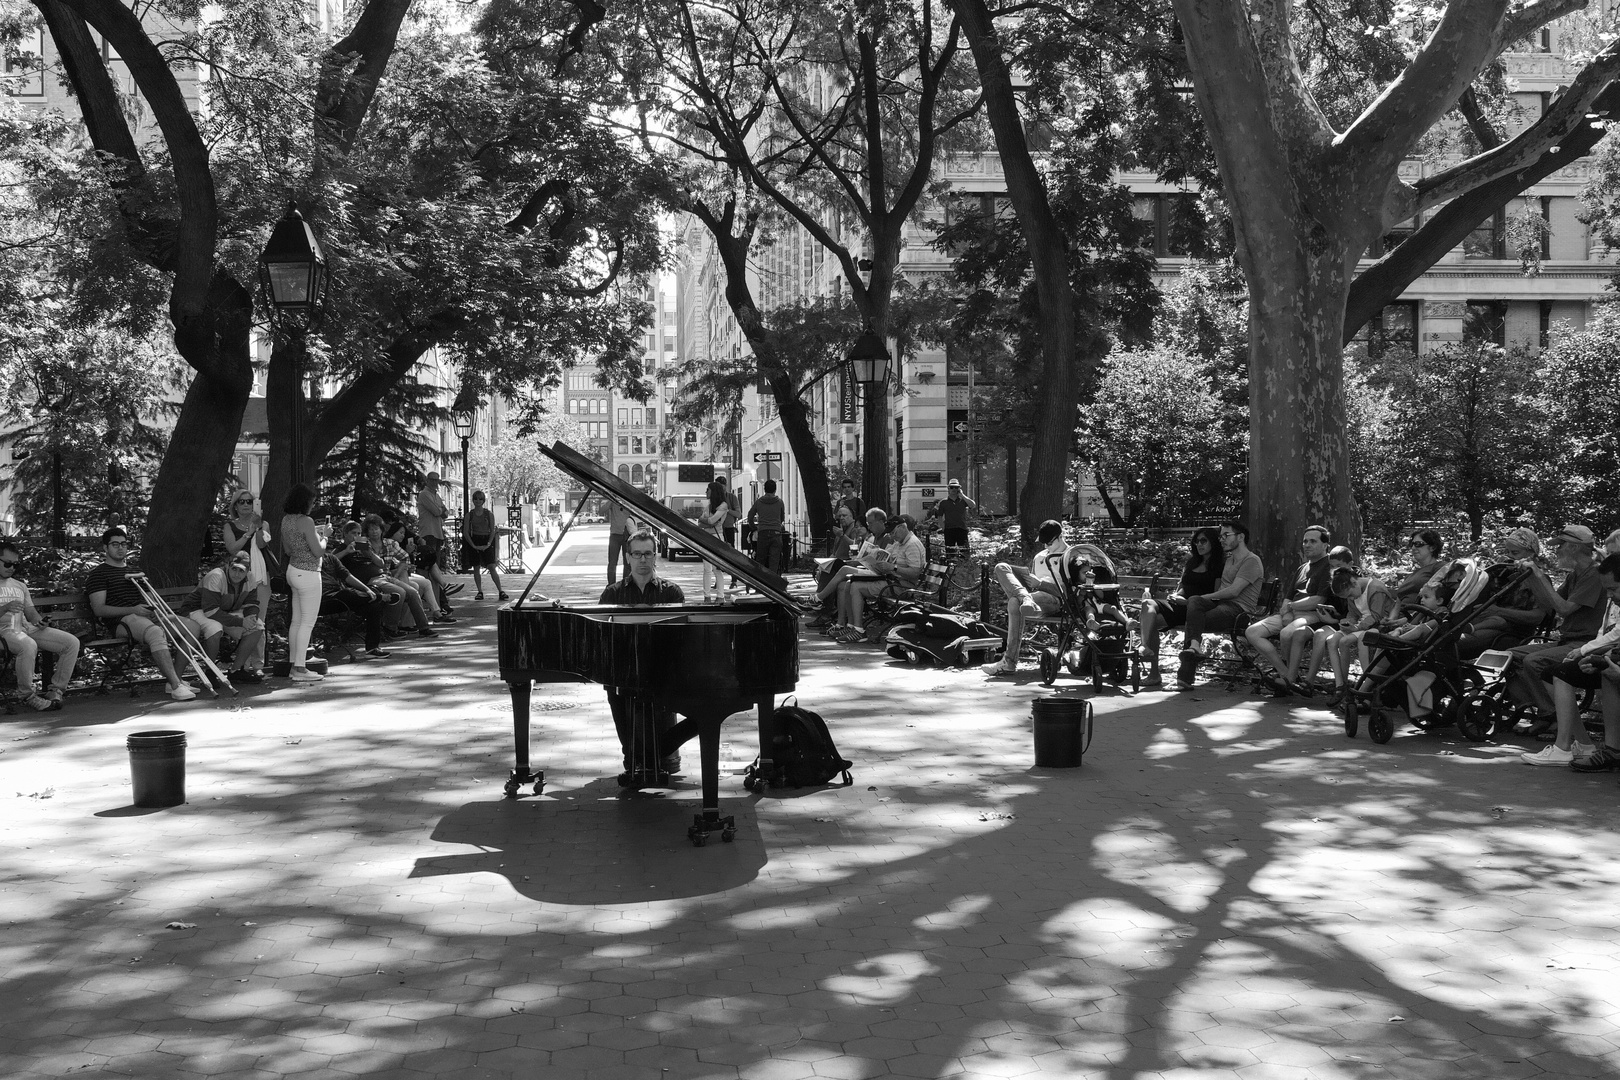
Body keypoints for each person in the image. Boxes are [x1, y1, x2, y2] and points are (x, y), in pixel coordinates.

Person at [1505, 525, 1608, 736]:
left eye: (1560, 545)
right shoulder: (1575, 575)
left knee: (1533, 661)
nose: (1556, 550)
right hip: (1568, 640)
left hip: (1585, 643)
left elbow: (1564, 609)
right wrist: (1532, 577)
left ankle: (1553, 717)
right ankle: (1540, 711)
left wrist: (1540, 576)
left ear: (1574, 547)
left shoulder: (1594, 575)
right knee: (1509, 656)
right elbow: (1551, 606)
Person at [599, 530, 685, 774]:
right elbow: (603, 637)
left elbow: (678, 639)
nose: (643, 560)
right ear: (627, 557)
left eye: (648, 554)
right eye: (637, 554)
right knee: (616, 690)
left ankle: (659, 755)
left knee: (667, 760)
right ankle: (633, 755)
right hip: (623, 669)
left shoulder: (672, 593)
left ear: (655, 556)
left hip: (662, 669)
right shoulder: (612, 594)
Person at [1523, 553, 1620, 767]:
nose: (1610, 595)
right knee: (1554, 672)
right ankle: (1583, 744)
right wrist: (1593, 654)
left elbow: (1615, 634)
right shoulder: (1607, 596)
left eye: (1613, 589)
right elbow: (1606, 632)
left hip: (1591, 646)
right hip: (1600, 649)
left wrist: (1588, 651)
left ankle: (1608, 750)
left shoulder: (1591, 578)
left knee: (1607, 670)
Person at [85, 527, 196, 700]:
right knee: (155, 632)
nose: (120, 548)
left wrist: (154, 611)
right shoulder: (98, 574)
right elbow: (99, 609)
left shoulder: (135, 571)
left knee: (191, 627)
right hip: (122, 622)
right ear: (105, 548)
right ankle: (176, 686)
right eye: (115, 544)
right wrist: (134, 610)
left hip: (144, 618)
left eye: (123, 544)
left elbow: (151, 599)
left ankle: (177, 678)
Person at [1244, 525, 1335, 695]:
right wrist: (1286, 613)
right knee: (1252, 632)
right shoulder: (1302, 567)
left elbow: (1319, 600)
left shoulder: (1328, 566)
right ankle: (1285, 673)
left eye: (1313, 541)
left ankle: (1288, 680)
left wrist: (1291, 608)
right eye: (1305, 541)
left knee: (1286, 633)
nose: (1307, 545)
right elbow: (1288, 595)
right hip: (1290, 613)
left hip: (1312, 615)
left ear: (1325, 545)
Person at [1176, 521, 1265, 690]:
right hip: (1220, 606)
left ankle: (1184, 678)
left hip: (1238, 611)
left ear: (1240, 537)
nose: (1222, 539)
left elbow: (1233, 591)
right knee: (1194, 603)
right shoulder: (1230, 559)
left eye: (1226, 535)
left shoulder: (1251, 561)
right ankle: (1195, 647)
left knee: (1194, 618)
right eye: (1221, 536)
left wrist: (1204, 596)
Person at [1138, 527, 1224, 688]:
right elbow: (1183, 586)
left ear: (1213, 542)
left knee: (1153, 622)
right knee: (1147, 604)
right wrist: (1176, 596)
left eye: (1203, 541)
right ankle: (1146, 650)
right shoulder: (1192, 562)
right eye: (1196, 541)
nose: (1199, 544)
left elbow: (1217, 593)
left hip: (1197, 609)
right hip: (1179, 605)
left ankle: (1154, 671)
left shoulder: (1219, 565)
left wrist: (1189, 601)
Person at [981, 520, 1070, 676]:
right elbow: (1033, 584)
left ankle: (1009, 662)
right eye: (1043, 543)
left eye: (1048, 543)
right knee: (1001, 567)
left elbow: (1069, 592)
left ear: (1060, 537)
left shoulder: (1070, 556)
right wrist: (1028, 583)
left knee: (1015, 602)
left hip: (1055, 601)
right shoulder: (1039, 557)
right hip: (1033, 599)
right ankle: (1025, 598)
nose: (1045, 547)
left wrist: (1041, 584)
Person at [0, 541, 80, 710]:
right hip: (3, 632)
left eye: (16, 564)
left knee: (71, 642)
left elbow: (31, 614)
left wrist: (41, 621)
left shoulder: (20, 586)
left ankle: (56, 691)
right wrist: (5, 608)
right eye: (7, 563)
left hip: (24, 628)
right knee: (27, 644)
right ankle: (27, 696)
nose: (12, 568)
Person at [1454, 527, 1549, 660]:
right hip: (1485, 623)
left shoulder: (1539, 580)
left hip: (1512, 632)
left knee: (1453, 645)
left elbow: (1536, 617)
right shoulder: (1500, 573)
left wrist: (1498, 611)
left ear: (1531, 553)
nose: (1509, 556)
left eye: (1515, 553)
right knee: (1441, 638)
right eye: (1507, 552)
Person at [832, 514, 926, 644]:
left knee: (855, 587)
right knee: (849, 583)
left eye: (893, 532)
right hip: (891, 581)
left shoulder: (912, 544)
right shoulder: (899, 542)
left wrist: (893, 568)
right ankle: (851, 627)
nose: (892, 536)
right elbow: (889, 558)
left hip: (901, 587)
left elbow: (915, 573)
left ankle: (859, 631)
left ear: (902, 527)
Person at [1313, 565, 1397, 707]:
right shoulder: (1352, 591)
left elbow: (1377, 616)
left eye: (1350, 595)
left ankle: (1366, 685)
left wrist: (1356, 627)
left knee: (1345, 641)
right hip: (1360, 626)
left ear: (1354, 582)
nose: (1351, 598)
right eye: (1348, 598)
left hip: (1378, 626)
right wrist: (1346, 622)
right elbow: (1352, 614)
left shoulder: (1375, 589)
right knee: (1333, 640)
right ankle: (1341, 685)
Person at [177, 550, 266, 682]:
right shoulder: (216, 576)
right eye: (234, 569)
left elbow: (252, 603)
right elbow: (211, 611)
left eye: (241, 571)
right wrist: (241, 622)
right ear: (228, 566)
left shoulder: (251, 579)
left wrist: (251, 617)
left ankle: (236, 671)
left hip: (223, 610)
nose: (237, 574)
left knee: (257, 626)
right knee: (215, 628)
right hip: (197, 610)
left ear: (247, 571)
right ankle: (210, 671)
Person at [338, 519, 436, 638]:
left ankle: (424, 628)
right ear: (345, 534)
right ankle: (390, 628)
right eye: (354, 533)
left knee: (413, 592)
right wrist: (346, 551)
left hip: (383, 576)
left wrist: (369, 552)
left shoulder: (363, 546)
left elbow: (381, 564)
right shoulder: (341, 548)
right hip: (369, 581)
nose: (357, 536)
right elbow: (329, 560)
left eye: (359, 533)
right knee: (400, 592)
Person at [280, 483, 327, 683]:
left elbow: (289, 550)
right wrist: (325, 537)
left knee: (297, 622)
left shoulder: (286, 520)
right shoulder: (306, 521)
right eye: (312, 501)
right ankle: (300, 668)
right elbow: (318, 551)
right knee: (307, 622)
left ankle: (295, 665)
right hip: (308, 573)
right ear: (305, 502)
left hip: (293, 570)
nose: (313, 504)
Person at [319, 542, 393, 660]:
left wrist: (367, 590)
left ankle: (372, 648)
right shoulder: (308, 561)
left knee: (374, 606)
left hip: (340, 598)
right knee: (347, 593)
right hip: (322, 599)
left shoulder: (331, 559)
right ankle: (380, 596)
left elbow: (347, 576)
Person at [374, 518, 454, 624]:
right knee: (418, 585)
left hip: (397, 574)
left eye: (404, 533)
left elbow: (404, 559)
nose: (403, 535)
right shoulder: (390, 543)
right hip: (389, 576)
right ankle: (412, 621)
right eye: (400, 533)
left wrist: (407, 558)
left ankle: (435, 612)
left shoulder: (394, 544)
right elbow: (397, 562)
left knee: (425, 581)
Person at [817, 508, 889, 606]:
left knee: (839, 569)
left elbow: (884, 562)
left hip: (875, 574)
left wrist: (857, 560)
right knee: (835, 575)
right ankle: (838, 618)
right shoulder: (874, 537)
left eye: (870, 523)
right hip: (868, 569)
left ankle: (819, 599)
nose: (869, 526)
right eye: (867, 524)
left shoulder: (883, 538)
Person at [221, 489, 272, 623]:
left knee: (259, 618)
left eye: (249, 502)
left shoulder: (264, 524)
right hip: (237, 576)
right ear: (235, 506)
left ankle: (258, 643)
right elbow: (232, 549)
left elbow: (262, 545)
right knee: (239, 617)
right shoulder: (229, 526)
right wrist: (248, 534)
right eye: (241, 501)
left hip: (260, 577)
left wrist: (258, 526)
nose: (245, 505)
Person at [415, 472, 454, 608]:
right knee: (431, 568)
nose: (434, 482)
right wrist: (440, 509)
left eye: (436, 480)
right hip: (428, 533)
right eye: (432, 480)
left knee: (434, 568)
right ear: (427, 480)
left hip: (437, 533)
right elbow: (438, 512)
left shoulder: (436, 495)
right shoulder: (424, 494)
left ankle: (440, 599)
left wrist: (441, 510)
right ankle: (439, 600)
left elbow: (446, 513)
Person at [461, 491, 509, 601]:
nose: (478, 501)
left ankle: (500, 590)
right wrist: (473, 545)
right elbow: (466, 532)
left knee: (492, 566)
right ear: (473, 500)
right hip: (475, 540)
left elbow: (492, 530)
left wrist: (488, 544)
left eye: (480, 499)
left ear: (483, 501)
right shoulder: (469, 515)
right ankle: (479, 591)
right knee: (476, 567)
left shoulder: (488, 514)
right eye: (476, 499)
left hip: (486, 540)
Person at [1391, 529, 1446, 602]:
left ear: (1433, 547)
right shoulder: (1412, 575)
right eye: (1412, 544)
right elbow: (1398, 602)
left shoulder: (1440, 567)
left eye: (1418, 544)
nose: (1413, 548)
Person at [748, 479, 787, 573]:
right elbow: (782, 518)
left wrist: (754, 527)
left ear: (764, 489)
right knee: (774, 561)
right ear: (775, 490)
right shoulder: (780, 502)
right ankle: (772, 581)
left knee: (761, 559)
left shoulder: (759, 502)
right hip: (776, 533)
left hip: (763, 532)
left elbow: (750, 516)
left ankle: (760, 581)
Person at [927, 479, 977, 552]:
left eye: (956, 487)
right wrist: (943, 528)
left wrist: (962, 495)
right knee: (950, 553)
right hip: (949, 530)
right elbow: (940, 516)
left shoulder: (963, 501)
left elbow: (973, 505)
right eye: (951, 487)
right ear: (948, 489)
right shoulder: (943, 502)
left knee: (965, 552)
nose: (954, 489)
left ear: (959, 489)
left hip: (962, 529)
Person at [698, 489, 729, 600]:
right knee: (707, 568)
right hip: (706, 537)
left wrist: (705, 520)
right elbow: (701, 523)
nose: (706, 492)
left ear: (714, 492)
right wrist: (708, 522)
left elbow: (711, 520)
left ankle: (720, 595)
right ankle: (707, 596)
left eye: (708, 490)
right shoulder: (709, 506)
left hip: (716, 538)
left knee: (717, 568)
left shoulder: (723, 506)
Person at [605, 499, 633, 584]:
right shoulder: (613, 501)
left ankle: (626, 585)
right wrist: (611, 500)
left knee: (627, 562)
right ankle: (611, 585)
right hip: (614, 535)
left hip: (627, 534)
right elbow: (602, 510)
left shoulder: (629, 502)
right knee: (612, 563)